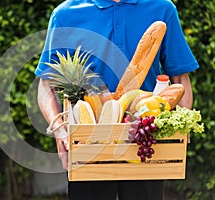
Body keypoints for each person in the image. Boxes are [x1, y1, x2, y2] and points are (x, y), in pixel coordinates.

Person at [35, 0, 199, 199]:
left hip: (144, 141)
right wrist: (61, 132)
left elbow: (180, 78)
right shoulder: (66, 14)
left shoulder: (162, 9)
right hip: (88, 143)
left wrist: (177, 133)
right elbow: (46, 86)